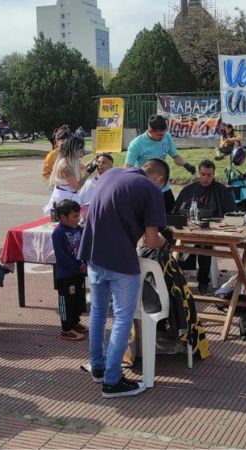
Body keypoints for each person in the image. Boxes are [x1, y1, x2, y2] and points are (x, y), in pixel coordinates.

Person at [78, 158, 169, 398]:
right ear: (159, 180)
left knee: (97, 313)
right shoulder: (151, 190)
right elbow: (151, 241)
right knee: (122, 319)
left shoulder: (111, 173)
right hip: (120, 261)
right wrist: (166, 239)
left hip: (93, 254)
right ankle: (112, 380)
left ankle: (97, 367)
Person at [173, 159, 237, 293]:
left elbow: (231, 215)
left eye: (209, 175)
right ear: (198, 173)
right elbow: (177, 213)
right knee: (172, 244)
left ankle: (203, 281)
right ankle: (175, 279)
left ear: (214, 174)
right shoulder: (188, 190)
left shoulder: (222, 191)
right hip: (188, 231)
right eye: (203, 174)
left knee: (204, 244)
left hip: (212, 232)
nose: (206, 178)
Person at [125, 114, 196, 213]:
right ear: (150, 131)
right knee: (148, 219)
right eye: (159, 135)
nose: (162, 137)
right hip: (145, 189)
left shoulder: (166, 137)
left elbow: (175, 157)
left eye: (164, 133)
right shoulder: (136, 144)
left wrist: (186, 164)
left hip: (164, 186)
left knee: (172, 215)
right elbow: (128, 168)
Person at [51, 200, 88, 341]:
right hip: (66, 275)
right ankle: (66, 329)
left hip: (78, 272)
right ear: (62, 217)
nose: (77, 219)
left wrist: (84, 262)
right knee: (66, 302)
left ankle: (74, 322)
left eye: (78, 216)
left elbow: (84, 247)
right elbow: (62, 256)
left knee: (78, 300)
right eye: (74, 216)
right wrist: (77, 266)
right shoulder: (58, 233)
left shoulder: (78, 229)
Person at [44, 137, 85, 215]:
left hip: (69, 199)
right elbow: (76, 186)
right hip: (62, 202)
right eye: (80, 149)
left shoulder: (72, 161)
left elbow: (84, 167)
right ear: (74, 149)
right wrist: (88, 174)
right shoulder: (64, 165)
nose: (81, 152)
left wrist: (95, 162)